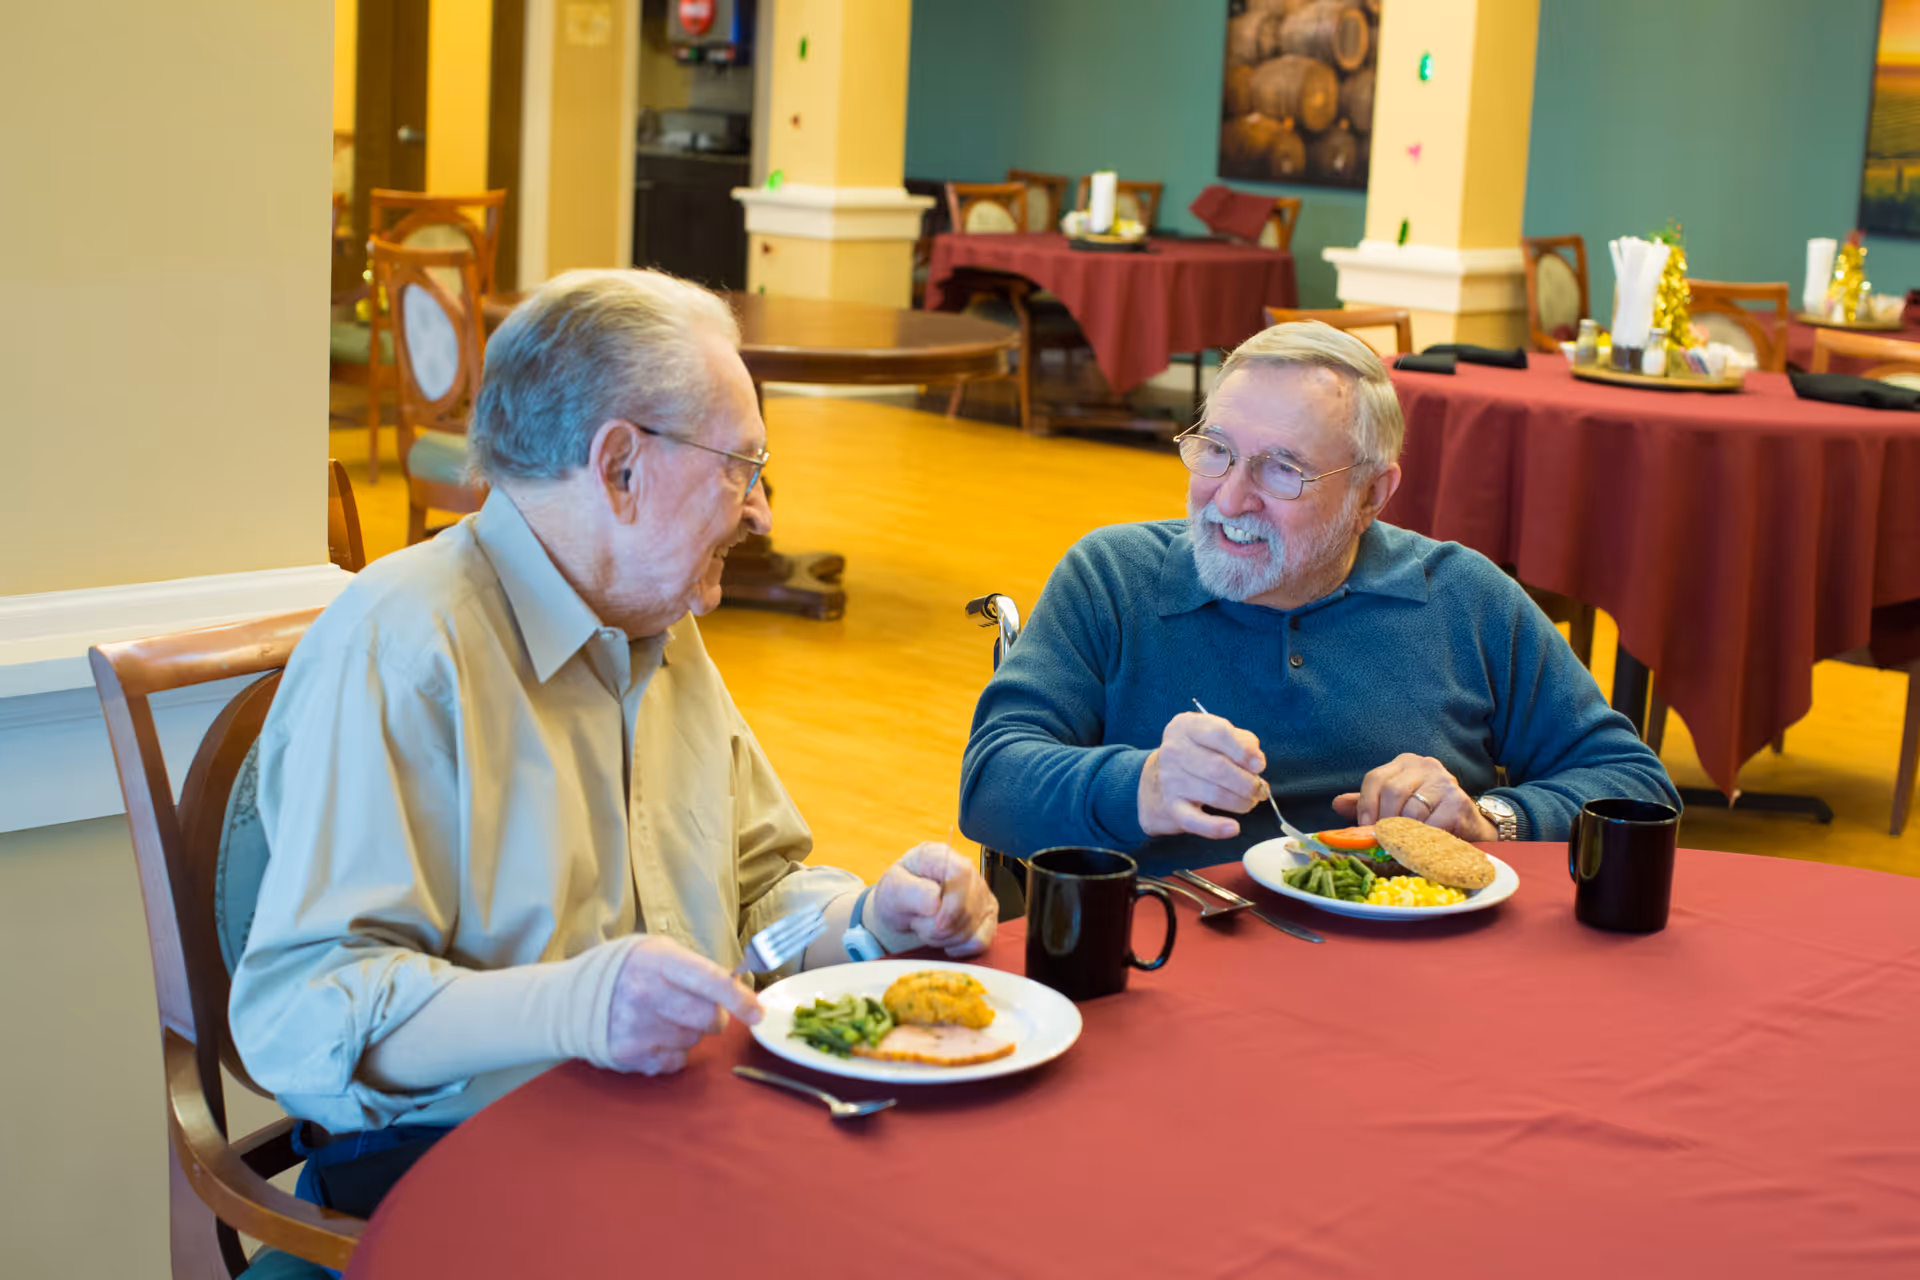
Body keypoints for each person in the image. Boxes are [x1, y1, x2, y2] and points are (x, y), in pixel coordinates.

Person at [230, 270, 995, 1222]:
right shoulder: (406, 646)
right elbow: (306, 1016)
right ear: (620, 466)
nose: (759, 512)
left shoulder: (657, 624)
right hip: (460, 1169)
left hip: (673, 1131)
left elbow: (757, 897)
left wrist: (868, 920)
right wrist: (576, 1006)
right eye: (741, 468)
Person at [959, 321, 1677, 875]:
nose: (1230, 498)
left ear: (1371, 494)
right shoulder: (1112, 578)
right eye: (1216, 451)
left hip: (1410, 977)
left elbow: (1636, 787)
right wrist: (1140, 784)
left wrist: (1491, 819)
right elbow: (991, 784)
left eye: (1282, 470)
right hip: (1171, 961)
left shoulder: (1461, 597)